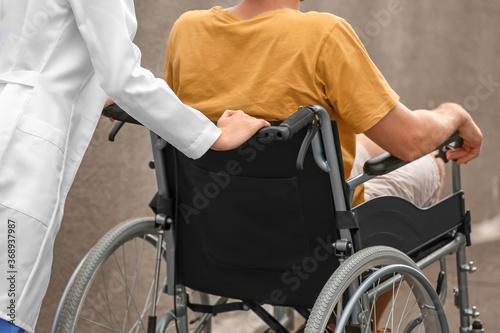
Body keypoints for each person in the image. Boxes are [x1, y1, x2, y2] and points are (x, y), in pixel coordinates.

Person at [0, 0, 269, 332]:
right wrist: (212, 136)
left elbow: (49, 45)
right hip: (24, 150)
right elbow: (122, 77)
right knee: (9, 297)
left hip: (15, 128)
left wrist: (96, 92)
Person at [163, 0, 482, 208]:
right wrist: (453, 113)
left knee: (355, 141)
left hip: (219, 225)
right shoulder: (323, 35)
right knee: (432, 162)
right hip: (313, 231)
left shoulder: (186, 30)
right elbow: (411, 141)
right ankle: (358, 315)